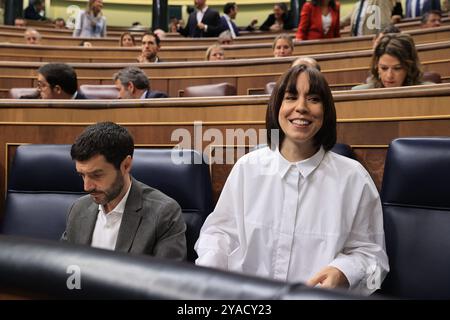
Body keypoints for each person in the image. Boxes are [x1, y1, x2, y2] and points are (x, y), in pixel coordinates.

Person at [195, 64, 389, 295]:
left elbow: (373, 257)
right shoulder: (247, 168)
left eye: (314, 99)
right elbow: (219, 233)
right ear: (277, 106)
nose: (301, 107)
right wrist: (212, 275)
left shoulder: (353, 178)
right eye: (291, 97)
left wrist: (344, 273)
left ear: (326, 112)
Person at [61, 122, 186, 260]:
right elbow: (63, 269)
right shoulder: (78, 209)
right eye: (82, 175)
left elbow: (167, 278)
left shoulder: (163, 213)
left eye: (97, 175)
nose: (87, 187)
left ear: (126, 165)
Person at [352, 33, 430, 89]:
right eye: (384, 68)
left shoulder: (430, 92)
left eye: (397, 68)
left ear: (409, 67)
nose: (389, 76)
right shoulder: (360, 93)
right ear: (376, 67)